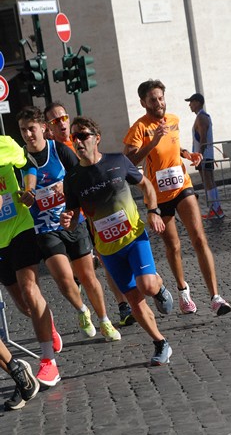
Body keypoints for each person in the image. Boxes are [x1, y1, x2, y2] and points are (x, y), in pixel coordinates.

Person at [60, 116, 173, 366]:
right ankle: (160, 342)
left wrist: (153, 211)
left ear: (96, 138)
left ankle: (159, 287)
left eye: (83, 136)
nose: (78, 141)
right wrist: (68, 219)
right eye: (74, 137)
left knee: (147, 286)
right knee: (133, 300)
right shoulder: (73, 178)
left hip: (134, 238)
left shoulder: (117, 162)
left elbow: (146, 186)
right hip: (108, 249)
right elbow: (74, 213)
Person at [123, 78, 231, 317]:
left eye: (161, 98)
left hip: (182, 186)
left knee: (199, 238)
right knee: (173, 246)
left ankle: (215, 297)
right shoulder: (139, 128)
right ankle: (183, 290)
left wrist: (187, 153)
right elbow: (129, 161)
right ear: (144, 102)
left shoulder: (173, 120)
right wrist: (152, 141)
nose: (159, 103)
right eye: (153, 99)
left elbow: (173, 147)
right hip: (158, 197)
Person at [16, 106, 121, 343]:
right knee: (63, 277)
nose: (28, 135)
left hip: (73, 221)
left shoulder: (60, 150)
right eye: (23, 130)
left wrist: (66, 186)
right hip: (44, 228)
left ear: (43, 128)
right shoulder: (21, 159)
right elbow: (27, 180)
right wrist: (27, 195)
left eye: (31, 129)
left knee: (87, 276)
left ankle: (104, 320)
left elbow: (81, 174)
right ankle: (82, 310)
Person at [44, 101, 135, 328]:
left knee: (107, 260)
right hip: (65, 222)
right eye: (56, 121)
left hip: (94, 214)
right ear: (48, 127)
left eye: (64, 118)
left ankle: (123, 305)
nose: (62, 124)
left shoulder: (78, 140)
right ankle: (84, 306)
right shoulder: (49, 150)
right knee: (76, 272)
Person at [0, 135, 62, 404]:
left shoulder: (5, 144)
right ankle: (47, 324)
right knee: (24, 304)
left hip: (20, 229)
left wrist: (28, 189)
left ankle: (49, 360)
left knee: (29, 288)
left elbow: (30, 164)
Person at [185, 93, 224, 219]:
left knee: (208, 181)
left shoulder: (201, 117)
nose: (189, 105)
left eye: (191, 102)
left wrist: (199, 155)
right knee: (209, 181)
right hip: (206, 155)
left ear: (197, 102)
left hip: (203, 156)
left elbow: (202, 138)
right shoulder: (203, 116)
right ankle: (216, 209)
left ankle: (215, 209)